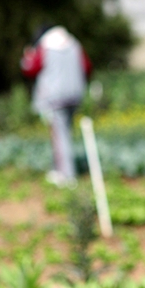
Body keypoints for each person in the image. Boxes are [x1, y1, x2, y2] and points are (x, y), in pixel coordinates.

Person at [21, 24, 92, 187]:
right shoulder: (74, 44)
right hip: (74, 94)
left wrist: (27, 57)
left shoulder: (45, 46)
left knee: (59, 135)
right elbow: (87, 67)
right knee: (65, 132)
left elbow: (31, 68)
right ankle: (58, 170)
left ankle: (67, 175)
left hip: (54, 97)